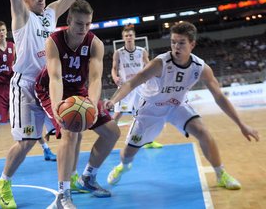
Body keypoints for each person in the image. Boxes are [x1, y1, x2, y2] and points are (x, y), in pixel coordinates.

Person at [105, 21, 260, 190]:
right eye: (173, 42)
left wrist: (241, 124)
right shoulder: (160, 63)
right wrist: (113, 101)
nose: (176, 47)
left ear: (192, 44)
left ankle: (220, 174)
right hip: (150, 110)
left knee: (203, 132)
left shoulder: (201, 68)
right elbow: (131, 83)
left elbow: (219, 97)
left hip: (176, 106)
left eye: (181, 43)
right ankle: (124, 166)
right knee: (128, 153)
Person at [0, 0, 83, 209]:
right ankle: (5, 182)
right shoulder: (21, 17)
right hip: (24, 85)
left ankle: (66, 185)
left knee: (71, 130)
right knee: (27, 143)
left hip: (48, 85)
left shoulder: (50, 14)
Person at [36, 0, 120, 208]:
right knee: (70, 132)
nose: (83, 29)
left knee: (112, 132)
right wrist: (57, 107)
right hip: (50, 89)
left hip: (79, 90)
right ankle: (63, 195)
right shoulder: (54, 41)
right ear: (69, 21)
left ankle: (88, 178)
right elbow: (55, 77)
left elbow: (94, 79)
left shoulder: (95, 44)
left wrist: (91, 105)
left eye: (88, 24)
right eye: (79, 24)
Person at [0, 21, 56, 170]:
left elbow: (20, 63)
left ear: (7, 32)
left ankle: (46, 149)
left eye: (3, 30)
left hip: (14, 87)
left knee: (30, 121)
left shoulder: (13, 46)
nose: (1, 32)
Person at [111, 26, 162, 150]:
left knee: (143, 114)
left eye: (130, 35)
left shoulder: (142, 51)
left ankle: (148, 141)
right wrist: (115, 77)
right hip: (124, 87)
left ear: (134, 37)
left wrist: (152, 78)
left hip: (139, 87)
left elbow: (148, 65)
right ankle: (108, 138)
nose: (128, 37)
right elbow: (113, 68)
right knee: (117, 114)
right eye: (126, 36)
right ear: (123, 38)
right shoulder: (118, 52)